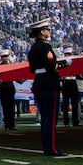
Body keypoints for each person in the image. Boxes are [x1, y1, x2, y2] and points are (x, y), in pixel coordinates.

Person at [27, 18, 65, 157]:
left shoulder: (33, 48)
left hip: (39, 83)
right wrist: (65, 64)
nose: (49, 31)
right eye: (47, 29)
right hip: (49, 83)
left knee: (45, 118)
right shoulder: (46, 47)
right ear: (42, 32)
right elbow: (51, 66)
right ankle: (52, 148)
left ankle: (47, 147)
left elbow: (32, 68)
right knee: (51, 118)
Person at [0, 49, 17, 131]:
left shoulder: (11, 66)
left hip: (10, 87)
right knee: (5, 107)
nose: (6, 58)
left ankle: (12, 124)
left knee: (11, 107)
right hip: (3, 88)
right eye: (4, 57)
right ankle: (7, 124)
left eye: (7, 56)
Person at [60, 48, 80, 128]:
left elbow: (79, 75)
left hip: (73, 82)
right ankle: (66, 122)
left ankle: (75, 121)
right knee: (65, 104)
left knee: (75, 103)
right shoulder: (62, 63)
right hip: (66, 83)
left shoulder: (73, 63)